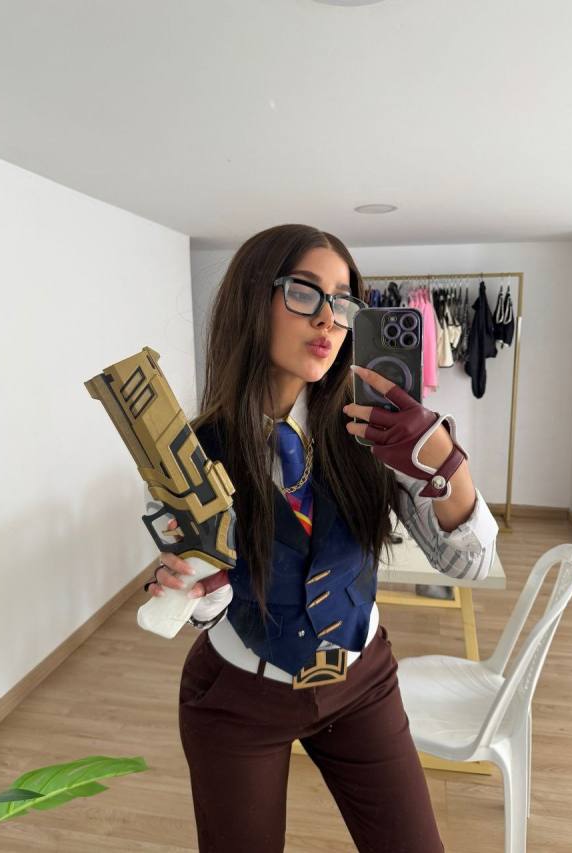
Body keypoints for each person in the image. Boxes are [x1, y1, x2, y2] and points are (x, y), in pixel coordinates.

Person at [145, 224, 498, 853]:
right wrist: (196, 588)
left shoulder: (375, 431)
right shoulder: (193, 454)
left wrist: (444, 461)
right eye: (305, 292)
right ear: (253, 299)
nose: (329, 318)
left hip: (362, 682)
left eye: (342, 299)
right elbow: (205, 609)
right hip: (239, 695)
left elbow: (469, 565)